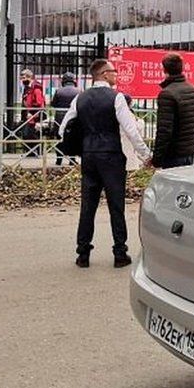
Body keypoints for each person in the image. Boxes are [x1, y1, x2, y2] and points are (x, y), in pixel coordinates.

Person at [59, 59, 152, 269]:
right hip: (111, 156)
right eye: (114, 72)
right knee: (116, 206)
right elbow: (131, 130)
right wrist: (146, 154)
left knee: (88, 206)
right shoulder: (116, 97)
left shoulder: (80, 98)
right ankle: (120, 253)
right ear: (103, 74)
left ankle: (83, 254)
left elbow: (64, 128)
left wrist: (82, 142)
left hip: (89, 157)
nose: (116, 75)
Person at [152, 53, 194, 169]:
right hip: (189, 150)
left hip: (173, 154)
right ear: (182, 68)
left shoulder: (167, 93)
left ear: (164, 70)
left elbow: (164, 131)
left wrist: (157, 159)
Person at [51, 72, 81, 165]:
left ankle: (59, 159)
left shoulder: (58, 91)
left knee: (59, 138)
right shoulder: (79, 91)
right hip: (73, 117)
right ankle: (72, 159)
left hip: (59, 117)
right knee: (73, 138)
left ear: (63, 81)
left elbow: (54, 104)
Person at [20, 69, 46, 156]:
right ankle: (31, 152)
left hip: (34, 115)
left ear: (29, 77)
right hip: (28, 115)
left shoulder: (36, 87)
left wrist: (32, 112)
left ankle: (36, 151)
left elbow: (39, 102)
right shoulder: (27, 88)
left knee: (30, 133)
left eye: (23, 78)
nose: (22, 80)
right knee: (27, 133)